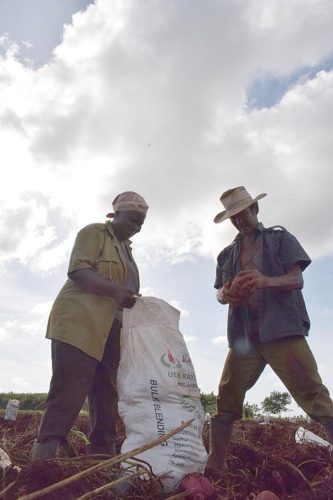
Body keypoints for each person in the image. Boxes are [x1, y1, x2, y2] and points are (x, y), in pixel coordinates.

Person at [205, 186, 333, 474]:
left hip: (281, 332)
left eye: (242, 214)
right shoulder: (227, 254)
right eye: (233, 218)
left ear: (255, 210)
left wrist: (264, 281)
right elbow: (218, 294)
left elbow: (296, 280)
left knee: (315, 395)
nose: (239, 221)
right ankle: (215, 466)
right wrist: (226, 294)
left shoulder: (280, 238)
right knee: (226, 397)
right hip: (244, 338)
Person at [31, 191, 148, 460]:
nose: (137, 227)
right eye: (132, 219)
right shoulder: (94, 233)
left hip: (110, 329)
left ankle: (102, 454)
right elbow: (78, 272)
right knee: (69, 389)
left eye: (141, 223)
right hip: (79, 323)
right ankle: (43, 458)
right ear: (115, 215)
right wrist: (116, 292)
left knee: (106, 393)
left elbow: (126, 292)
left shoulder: (128, 252)